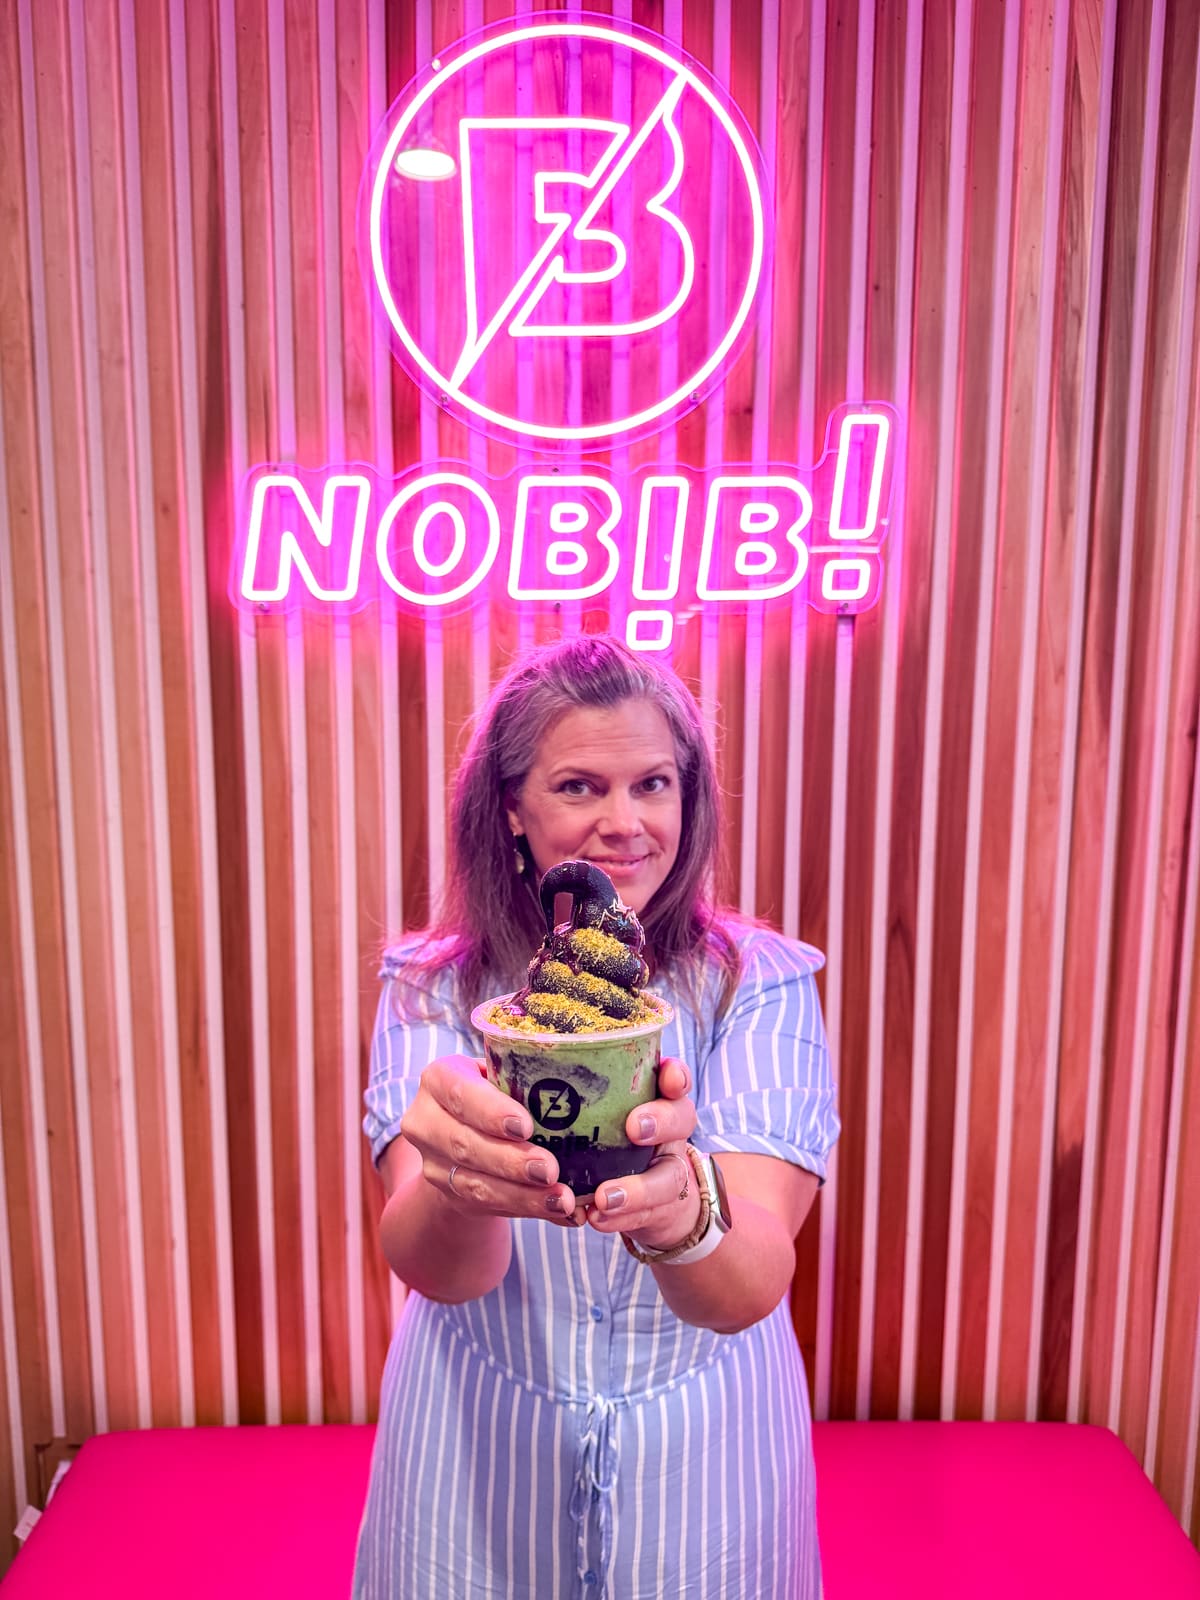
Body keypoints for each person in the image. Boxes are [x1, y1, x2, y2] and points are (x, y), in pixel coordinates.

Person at [353, 634, 839, 1599]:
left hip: (708, 1459)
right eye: (579, 786)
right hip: (475, 1444)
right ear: (512, 809)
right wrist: (462, 1182)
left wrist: (677, 1207)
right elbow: (438, 1269)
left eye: (653, 784)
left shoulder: (762, 982)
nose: (626, 823)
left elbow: (747, 1285)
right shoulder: (432, 989)